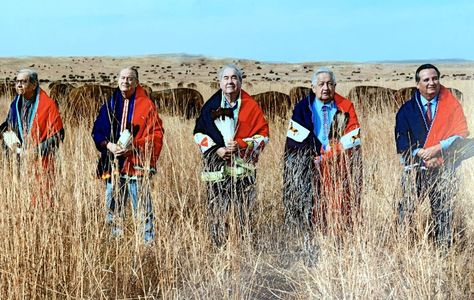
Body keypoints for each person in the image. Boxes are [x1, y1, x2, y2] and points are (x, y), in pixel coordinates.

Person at [395, 63, 471, 248]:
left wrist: (438, 149)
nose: (432, 83)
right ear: (417, 84)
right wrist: (421, 153)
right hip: (415, 168)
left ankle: (443, 249)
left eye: (435, 78)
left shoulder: (451, 104)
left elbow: (460, 134)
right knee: (406, 207)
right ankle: (402, 245)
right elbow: (401, 139)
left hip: (445, 165)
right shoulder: (406, 110)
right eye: (426, 80)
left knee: (443, 210)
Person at [193, 64, 269, 246]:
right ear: (220, 83)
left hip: (243, 170)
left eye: (234, 78)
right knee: (217, 208)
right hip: (216, 169)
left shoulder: (251, 106)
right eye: (226, 78)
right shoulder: (210, 106)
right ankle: (218, 243)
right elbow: (198, 133)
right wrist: (216, 149)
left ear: (241, 82)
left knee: (244, 210)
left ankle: (244, 243)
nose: (230, 82)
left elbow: (264, 136)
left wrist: (241, 144)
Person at [283, 67, 362, 237]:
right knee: (310, 202)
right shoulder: (302, 108)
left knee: (340, 201)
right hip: (309, 162)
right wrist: (311, 156)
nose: (325, 88)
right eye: (321, 84)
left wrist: (330, 154)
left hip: (338, 163)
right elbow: (295, 138)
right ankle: (310, 234)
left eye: (329, 84)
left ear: (335, 86)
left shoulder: (345, 107)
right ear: (313, 87)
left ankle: (339, 233)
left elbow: (353, 136)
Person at [92, 67, 164, 243]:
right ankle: (114, 240)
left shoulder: (146, 105)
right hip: (112, 163)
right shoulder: (110, 104)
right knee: (112, 205)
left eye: (130, 78)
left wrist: (134, 147)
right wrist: (109, 145)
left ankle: (147, 243)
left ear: (136, 82)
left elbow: (157, 134)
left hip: (136, 164)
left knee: (142, 206)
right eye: (122, 78)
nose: (125, 81)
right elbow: (97, 131)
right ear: (118, 80)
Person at [0, 69, 64, 203]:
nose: (18, 85)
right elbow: (9, 124)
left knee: (42, 197)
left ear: (34, 85)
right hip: (19, 157)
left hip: (40, 160)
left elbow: (58, 135)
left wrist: (36, 151)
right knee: (21, 197)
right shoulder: (15, 104)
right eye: (17, 81)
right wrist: (4, 132)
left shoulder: (48, 105)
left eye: (23, 81)